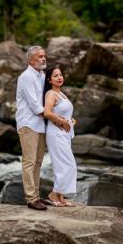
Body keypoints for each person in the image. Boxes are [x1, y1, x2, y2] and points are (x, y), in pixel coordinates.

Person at [14, 45, 50, 210]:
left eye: (44, 56)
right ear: (30, 60)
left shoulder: (42, 75)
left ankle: (37, 196)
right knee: (29, 162)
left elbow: (47, 100)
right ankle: (31, 198)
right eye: (40, 57)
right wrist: (57, 119)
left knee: (38, 162)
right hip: (28, 124)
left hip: (40, 125)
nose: (43, 59)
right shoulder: (26, 77)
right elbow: (36, 106)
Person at [41, 66, 78, 207]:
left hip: (65, 133)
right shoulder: (51, 94)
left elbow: (64, 113)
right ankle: (53, 194)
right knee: (67, 164)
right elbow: (47, 113)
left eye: (61, 75)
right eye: (55, 76)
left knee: (64, 164)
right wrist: (62, 121)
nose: (60, 77)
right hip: (56, 133)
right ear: (50, 80)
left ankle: (60, 197)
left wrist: (71, 120)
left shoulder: (62, 94)